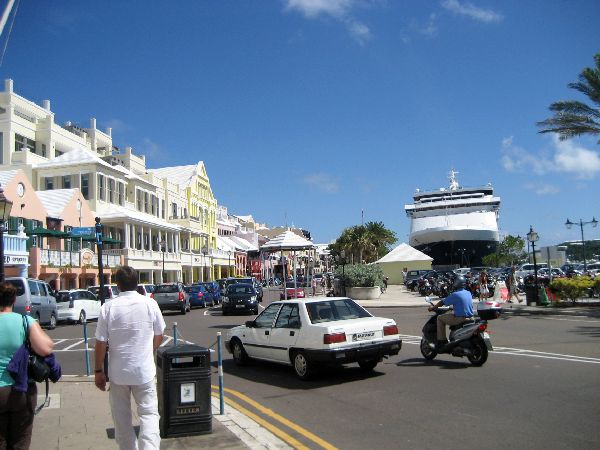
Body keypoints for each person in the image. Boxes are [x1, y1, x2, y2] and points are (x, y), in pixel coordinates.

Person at [94, 266, 166, 450]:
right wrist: (148, 349)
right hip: (144, 371)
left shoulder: (108, 308)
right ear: (137, 283)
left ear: (117, 284)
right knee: (149, 414)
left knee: (121, 418)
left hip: (119, 373)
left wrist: (98, 371)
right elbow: (160, 333)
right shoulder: (150, 304)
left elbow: (101, 342)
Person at [0, 283, 54, 449]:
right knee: (20, 442)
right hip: (21, 390)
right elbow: (46, 348)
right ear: (14, 300)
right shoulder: (25, 321)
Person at [428, 275, 474, 348]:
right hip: (471, 318)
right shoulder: (468, 293)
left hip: (460, 318)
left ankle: (441, 341)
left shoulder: (455, 294)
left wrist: (433, 307)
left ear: (456, 283)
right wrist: (453, 307)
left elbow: (442, 302)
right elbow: (463, 303)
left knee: (439, 318)